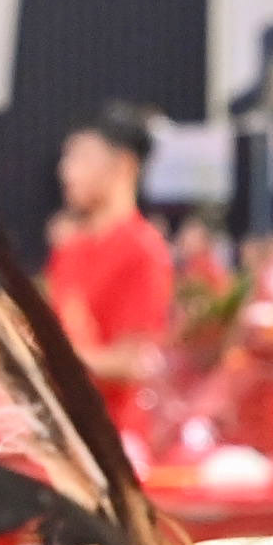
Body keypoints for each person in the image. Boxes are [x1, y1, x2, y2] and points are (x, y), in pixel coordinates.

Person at [45, 104, 174, 396]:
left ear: (124, 165)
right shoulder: (69, 248)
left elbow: (132, 361)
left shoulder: (144, 250)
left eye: (83, 157)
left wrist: (50, 361)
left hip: (110, 421)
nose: (66, 172)